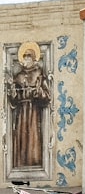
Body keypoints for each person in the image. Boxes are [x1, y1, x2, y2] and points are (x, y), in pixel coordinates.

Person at [6, 41, 50, 169]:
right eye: (24, 57)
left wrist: (37, 91)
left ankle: (34, 163)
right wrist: (12, 89)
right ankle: (20, 164)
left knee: (33, 139)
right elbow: (13, 100)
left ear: (34, 59)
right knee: (21, 139)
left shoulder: (39, 74)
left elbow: (47, 96)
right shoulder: (18, 76)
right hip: (21, 112)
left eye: (28, 57)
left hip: (34, 111)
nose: (26, 59)